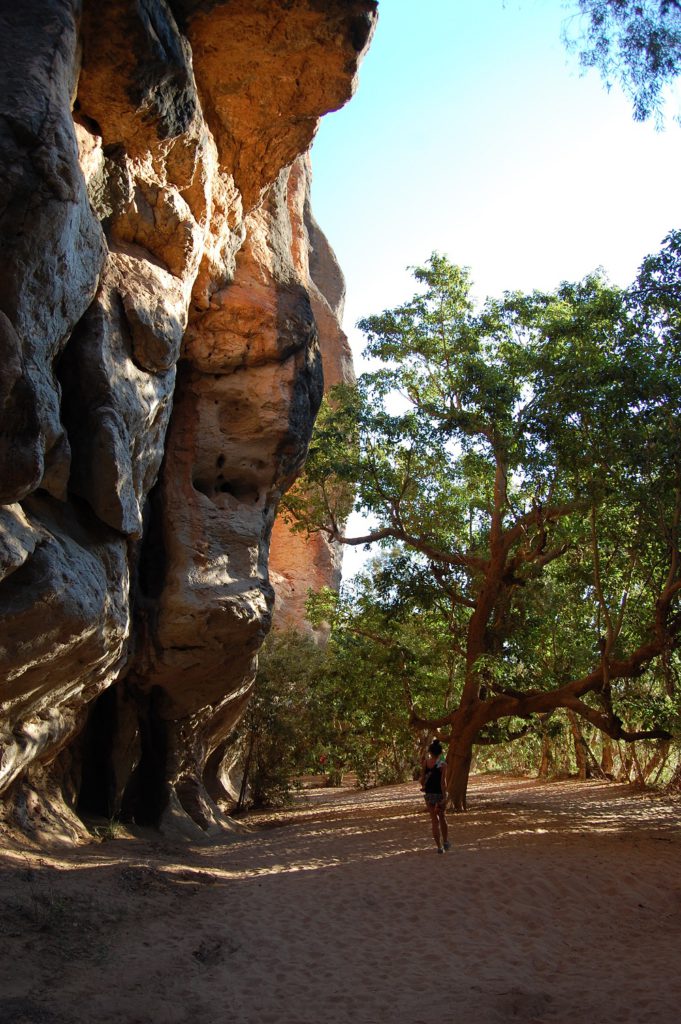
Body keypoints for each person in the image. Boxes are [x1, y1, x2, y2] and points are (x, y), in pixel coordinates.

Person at [420, 739, 449, 853]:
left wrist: (424, 784)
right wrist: (444, 795)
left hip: (429, 794)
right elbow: (443, 783)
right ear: (440, 752)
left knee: (434, 821)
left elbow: (422, 780)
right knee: (442, 817)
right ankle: (446, 841)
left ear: (430, 752)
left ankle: (439, 847)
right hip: (439, 794)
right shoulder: (443, 764)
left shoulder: (425, 763)